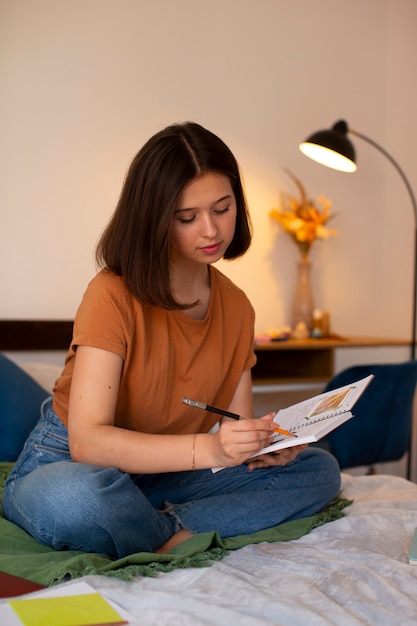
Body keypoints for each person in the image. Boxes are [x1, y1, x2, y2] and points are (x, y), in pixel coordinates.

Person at [3, 122, 340, 557]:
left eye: (223, 208)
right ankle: (175, 532)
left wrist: (262, 444)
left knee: (319, 470)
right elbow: (88, 442)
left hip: (167, 474)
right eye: (187, 218)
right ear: (155, 219)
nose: (211, 231)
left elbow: (231, 427)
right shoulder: (112, 293)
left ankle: (158, 529)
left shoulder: (237, 306)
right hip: (74, 464)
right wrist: (212, 449)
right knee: (73, 498)